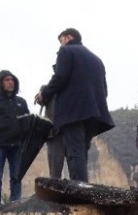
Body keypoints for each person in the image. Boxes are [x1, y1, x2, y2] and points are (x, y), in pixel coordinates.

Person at [35, 28, 114, 182]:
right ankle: (82, 186)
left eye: (61, 40)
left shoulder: (66, 52)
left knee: (75, 152)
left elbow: (60, 77)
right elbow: (104, 90)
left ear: (68, 37)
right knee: (82, 152)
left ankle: (79, 191)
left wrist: (44, 94)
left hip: (74, 112)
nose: (60, 45)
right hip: (95, 113)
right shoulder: (97, 60)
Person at [0, 70, 30, 209]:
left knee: (16, 176)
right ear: (1, 82)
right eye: (7, 80)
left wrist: (24, 140)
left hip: (16, 145)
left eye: (12, 80)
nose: (10, 82)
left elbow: (27, 122)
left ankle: (15, 204)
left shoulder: (21, 102)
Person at [37, 80, 66, 179]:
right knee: (55, 173)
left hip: (71, 132)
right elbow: (39, 100)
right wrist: (41, 94)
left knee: (75, 171)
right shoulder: (48, 87)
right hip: (54, 134)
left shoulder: (74, 86)